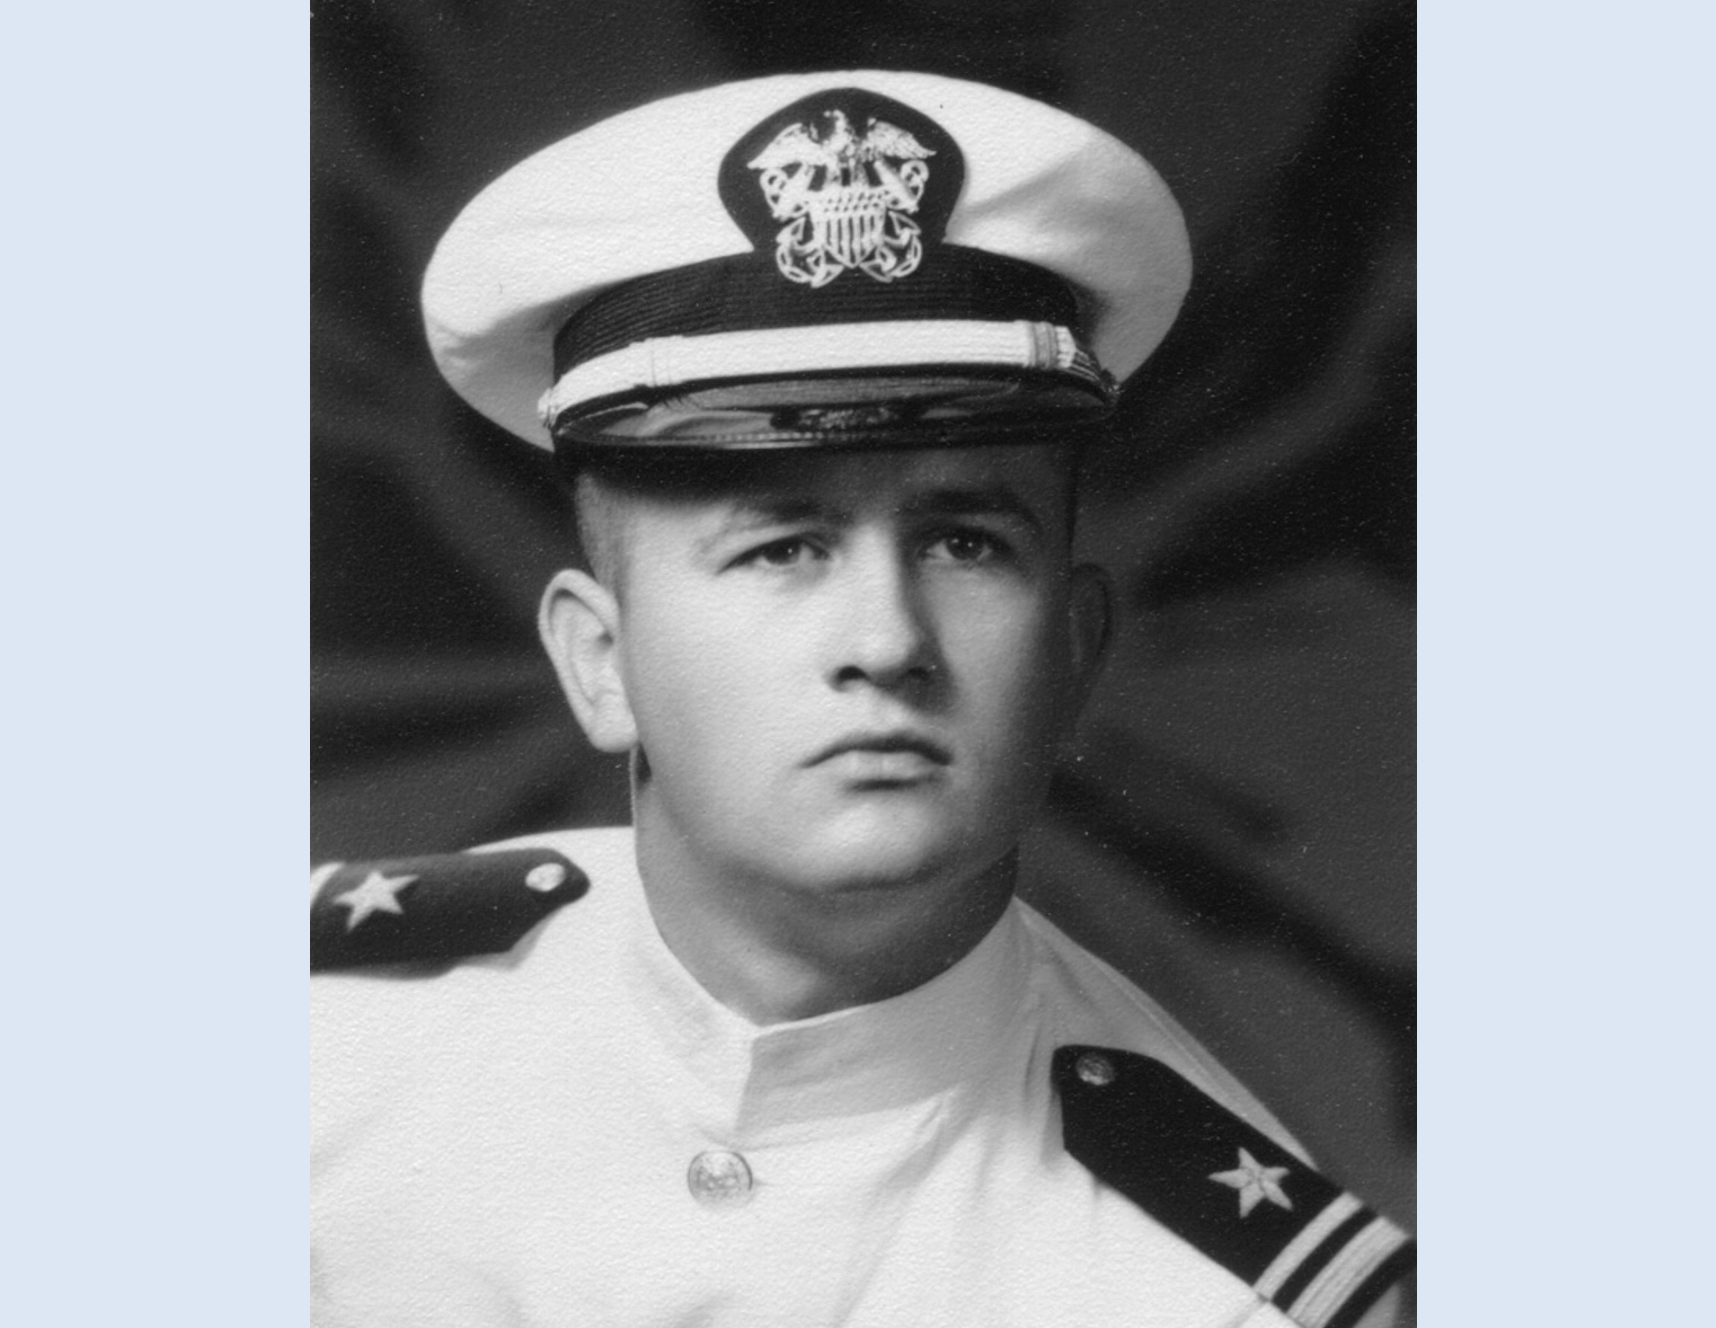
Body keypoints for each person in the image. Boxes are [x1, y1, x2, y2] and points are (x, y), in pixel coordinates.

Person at [311, 70, 1413, 1327]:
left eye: (966, 543)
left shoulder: (1224, 1289)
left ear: (1073, 650)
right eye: (782, 546)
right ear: (599, 660)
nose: (888, 640)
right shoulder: (316, 1039)